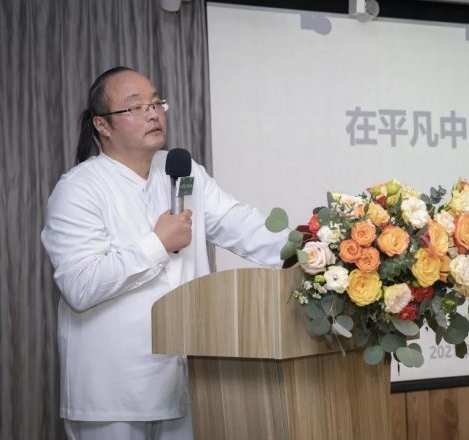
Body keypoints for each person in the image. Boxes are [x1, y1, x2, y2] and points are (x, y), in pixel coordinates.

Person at [41, 66, 287, 440]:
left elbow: (241, 224)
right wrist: (157, 243)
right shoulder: (79, 188)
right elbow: (80, 285)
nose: (153, 113)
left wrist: (313, 248)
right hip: (113, 393)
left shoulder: (184, 171)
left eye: (157, 103)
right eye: (136, 107)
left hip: (183, 380)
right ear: (102, 125)